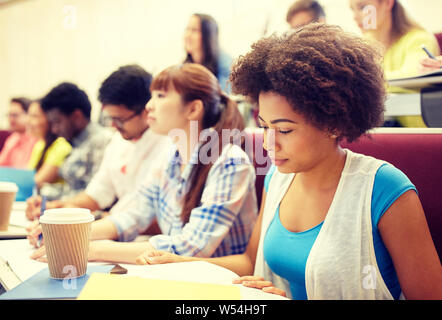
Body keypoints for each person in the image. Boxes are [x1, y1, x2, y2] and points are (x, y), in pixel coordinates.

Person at [135, 24, 442, 300]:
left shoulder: (386, 190)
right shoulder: (279, 178)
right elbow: (249, 260)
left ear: (334, 123)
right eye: (265, 126)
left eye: (284, 130)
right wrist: (185, 263)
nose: (269, 143)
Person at [29, 63, 258, 264]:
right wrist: (70, 233)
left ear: (193, 109)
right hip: (176, 276)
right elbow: (135, 214)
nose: (149, 105)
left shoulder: (230, 161)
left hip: (219, 284)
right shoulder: (169, 155)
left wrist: (90, 249)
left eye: (160, 96)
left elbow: (192, 247)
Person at [25, 65, 172, 221]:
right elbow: (97, 193)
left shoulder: (167, 144)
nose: (113, 126)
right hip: (120, 226)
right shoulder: (119, 141)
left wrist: (102, 218)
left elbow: (159, 218)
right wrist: (60, 208)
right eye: (110, 118)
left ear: (146, 110)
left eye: (120, 120)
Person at [350, 0, 440, 127]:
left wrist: (363, 81)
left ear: (387, 3)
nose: (355, 16)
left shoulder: (419, 38)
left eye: (363, 7)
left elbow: (412, 75)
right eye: (352, 9)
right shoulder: (364, 46)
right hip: (382, 126)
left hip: (417, 129)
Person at [26, 82, 112, 201]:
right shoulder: (76, 142)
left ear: (76, 116)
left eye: (57, 122)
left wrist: (51, 202)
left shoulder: (101, 142)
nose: (54, 130)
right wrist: (42, 196)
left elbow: (94, 196)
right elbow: (71, 189)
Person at [27, 100, 72, 189]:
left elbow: (37, 181)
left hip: (53, 200)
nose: (28, 121)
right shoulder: (40, 144)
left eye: (34, 116)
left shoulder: (61, 145)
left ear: (49, 119)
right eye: (29, 115)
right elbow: (28, 177)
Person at [183, 13, 232, 94]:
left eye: (194, 30)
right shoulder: (184, 66)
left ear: (208, 35)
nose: (187, 35)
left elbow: (225, 98)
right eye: (187, 29)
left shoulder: (226, 63)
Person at [0, 97, 37, 168]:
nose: (10, 119)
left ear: (29, 115)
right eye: (9, 115)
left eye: (15, 115)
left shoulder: (37, 139)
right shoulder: (14, 138)